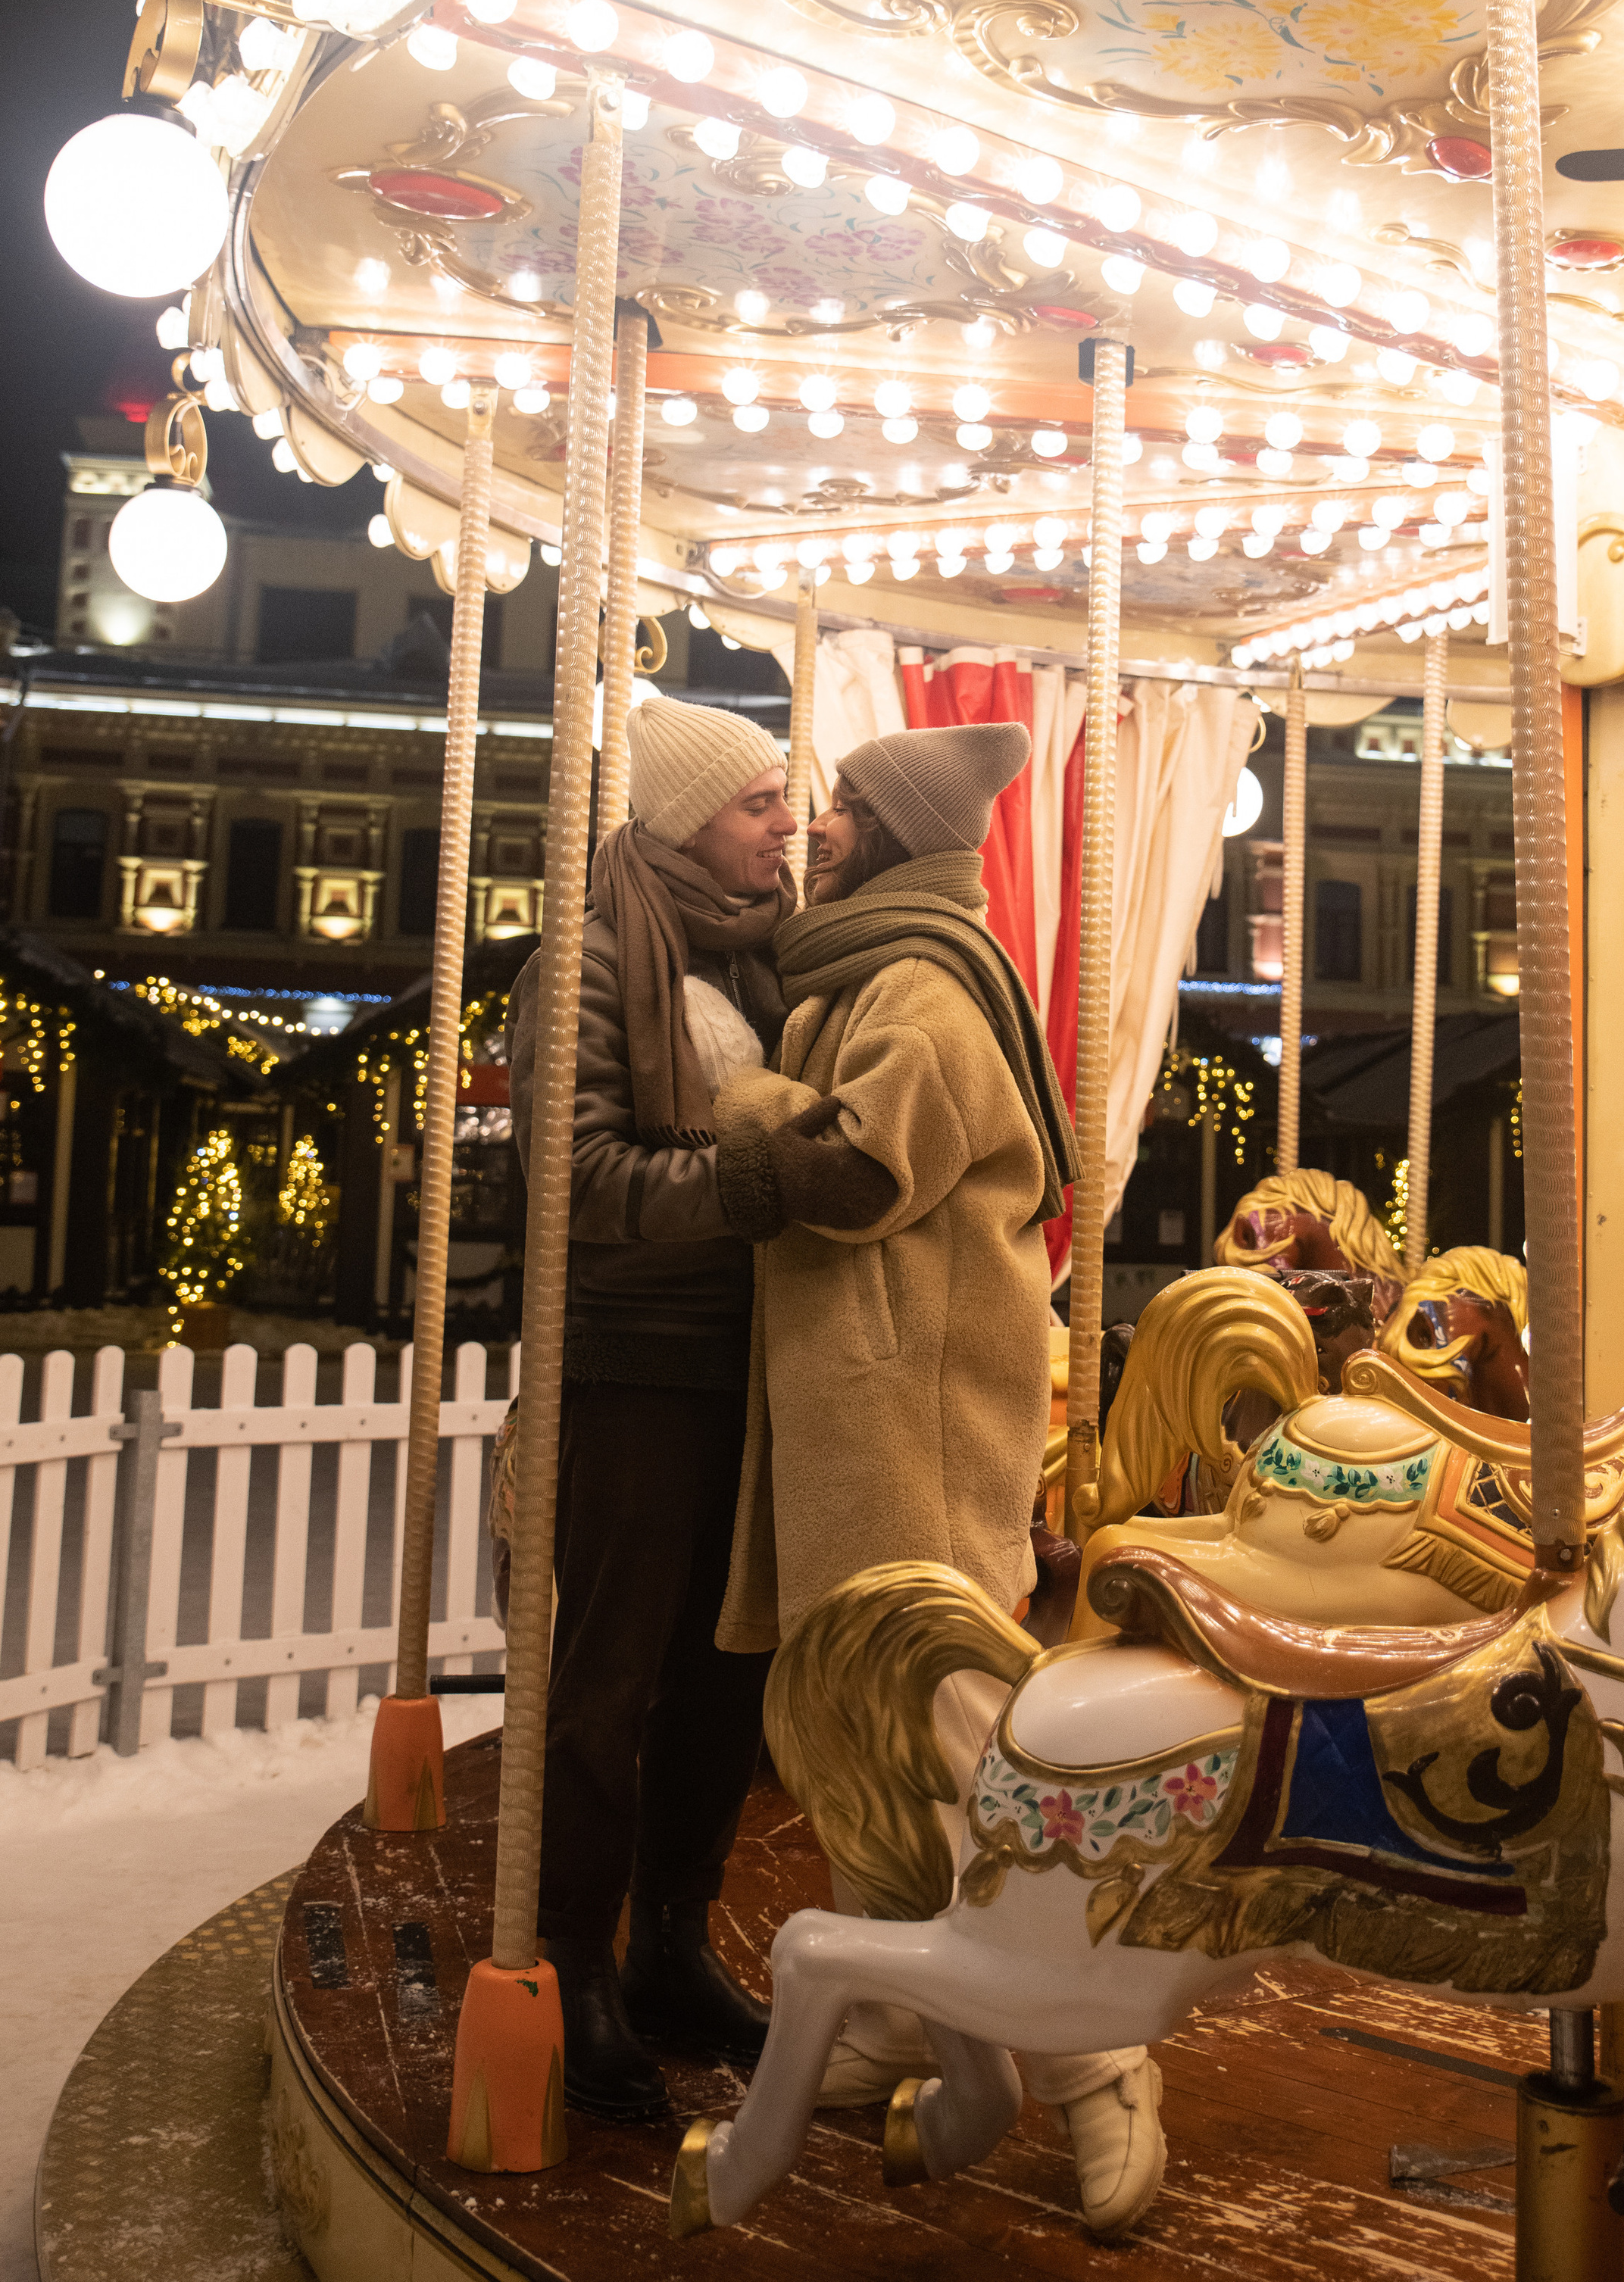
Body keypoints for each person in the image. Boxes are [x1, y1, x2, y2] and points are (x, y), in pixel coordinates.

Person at [711, 722, 1170, 2237]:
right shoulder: (860, 975)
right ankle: (911, 2016)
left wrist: (737, 1095)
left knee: (962, 1747)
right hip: (863, 1411)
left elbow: (856, 1178)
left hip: (909, 1415)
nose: (819, 824)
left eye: (846, 806)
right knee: (866, 1730)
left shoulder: (922, 988)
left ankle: (1099, 2054)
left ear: (902, 836)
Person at [508, 695, 793, 2123]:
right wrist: (760, 1184)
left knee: (726, 1672)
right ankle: (569, 1956)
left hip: (753, 1358)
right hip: (631, 1360)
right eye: (759, 801)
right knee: (608, 1677)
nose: (787, 823)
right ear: (686, 820)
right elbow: (580, 1181)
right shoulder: (587, 961)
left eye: (787, 796)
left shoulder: (767, 955)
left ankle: (673, 1939)